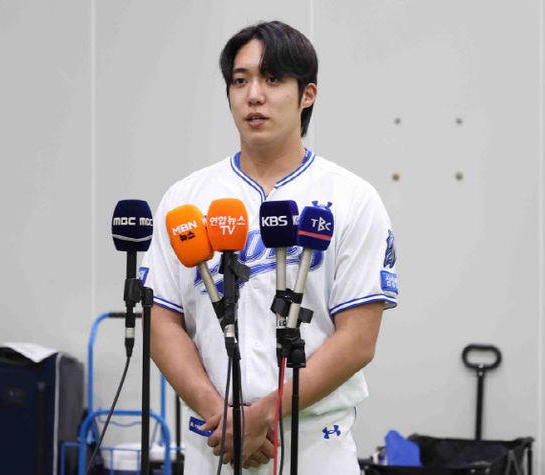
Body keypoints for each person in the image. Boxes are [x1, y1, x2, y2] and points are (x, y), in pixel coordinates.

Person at [141, 20, 398, 474]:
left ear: (307, 94)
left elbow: (358, 339)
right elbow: (161, 320)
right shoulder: (186, 200)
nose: (254, 95)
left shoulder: (352, 199)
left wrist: (264, 413)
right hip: (214, 440)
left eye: (273, 79)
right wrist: (223, 415)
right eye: (240, 81)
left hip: (314, 443)